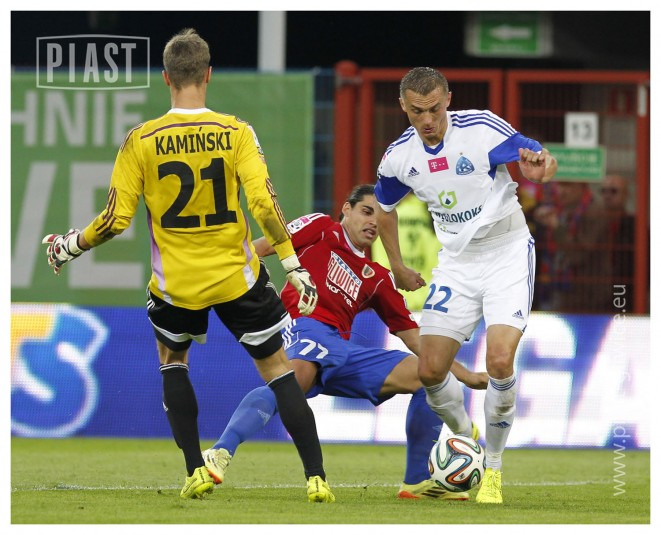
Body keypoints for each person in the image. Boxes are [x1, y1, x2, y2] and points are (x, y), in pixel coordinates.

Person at [40, 28, 334, 503]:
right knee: (279, 370)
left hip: (175, 284)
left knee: (173, 362)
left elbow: (115, 220)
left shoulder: (141, 139)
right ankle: (316, 479)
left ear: (166, 78)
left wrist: (71, 246)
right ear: (208, 75)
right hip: (238, 278)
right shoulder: (236, 131)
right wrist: (291, 262)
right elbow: (263, 203)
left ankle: (196, 469)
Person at [203, 184, 488, 500]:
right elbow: (262, 247)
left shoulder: (377, 277)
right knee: (291, 383)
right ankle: (220, 452)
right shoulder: (321, 228)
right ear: (347, 209)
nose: (373, 222)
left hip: (340, 350)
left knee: (427, 378)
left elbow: (416, 339)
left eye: (380, 219)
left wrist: (465, 375)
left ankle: (418, 481)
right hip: (304, 326)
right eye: (366, 211)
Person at [374, 67, 557, 504]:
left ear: (448, 100)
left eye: (435, 109)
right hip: (457, 263)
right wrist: (397, 265)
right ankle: (466, 437)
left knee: (499, 359)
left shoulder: (480, 129)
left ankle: (492, 468)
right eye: (417, 112)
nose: (428, 120)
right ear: (403, 107)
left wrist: (541, 167)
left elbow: (536, 156)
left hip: (507, 251)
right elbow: (383, 208)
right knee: (430, 370)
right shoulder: (398, 157)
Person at [534, 181, 611, 312]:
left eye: (568, 185)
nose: (561, 191)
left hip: (588, 295)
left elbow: (578, 254)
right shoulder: (562, 209)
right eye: (560, 185)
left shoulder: (594, 211)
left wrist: (556, 227)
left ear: (582, 187)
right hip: (562, 289)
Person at [600, 175, 636, 294]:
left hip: (625, 288)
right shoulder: (592, 222)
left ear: (625, 195)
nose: (607, 195)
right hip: (596, 290)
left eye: (613, 191)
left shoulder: (635, 226)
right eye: (603, 191)